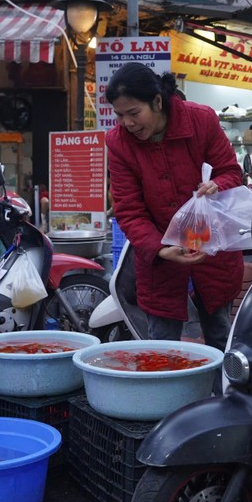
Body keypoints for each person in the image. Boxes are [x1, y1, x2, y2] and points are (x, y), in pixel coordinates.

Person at [104, 62, 243, 350]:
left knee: (219, 339)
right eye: (119, 115)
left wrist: (217, 185)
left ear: (157, 102)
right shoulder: (118, 143)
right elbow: (129, 210)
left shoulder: (201, 120)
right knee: (162, 348)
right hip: (159, 262)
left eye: (134, 113)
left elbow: (231, 172)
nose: (127, 123)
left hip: (213, 252)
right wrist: (160, 249)